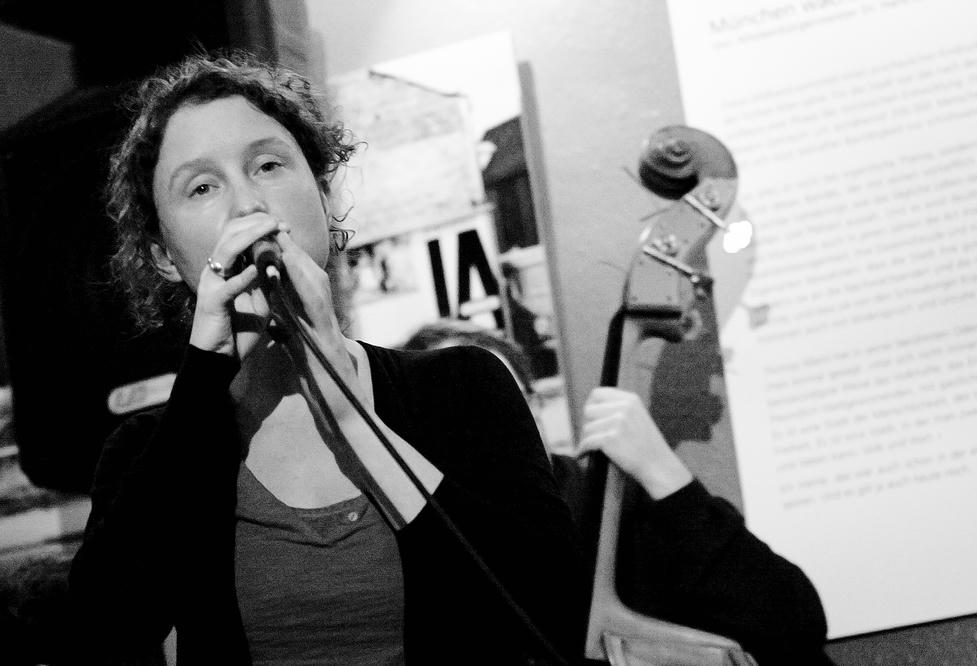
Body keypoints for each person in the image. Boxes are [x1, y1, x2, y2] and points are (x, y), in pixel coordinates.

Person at [69, 53, 585, 664]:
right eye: (201, 187)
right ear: (163, 255)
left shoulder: (462, 386)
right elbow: (103, 634)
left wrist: (347, 409)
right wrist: (205, 375)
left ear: (321, 193)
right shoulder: (144, 452)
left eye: (267, 165)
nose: (246, 204)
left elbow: (552, 612)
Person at [403, 320, 832, 665]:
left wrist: (663, 472)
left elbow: (795, 625)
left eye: (498, 399)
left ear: (535, 407)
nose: (485, 428)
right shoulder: (419, 558)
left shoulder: (613, 503)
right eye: (454, 412)